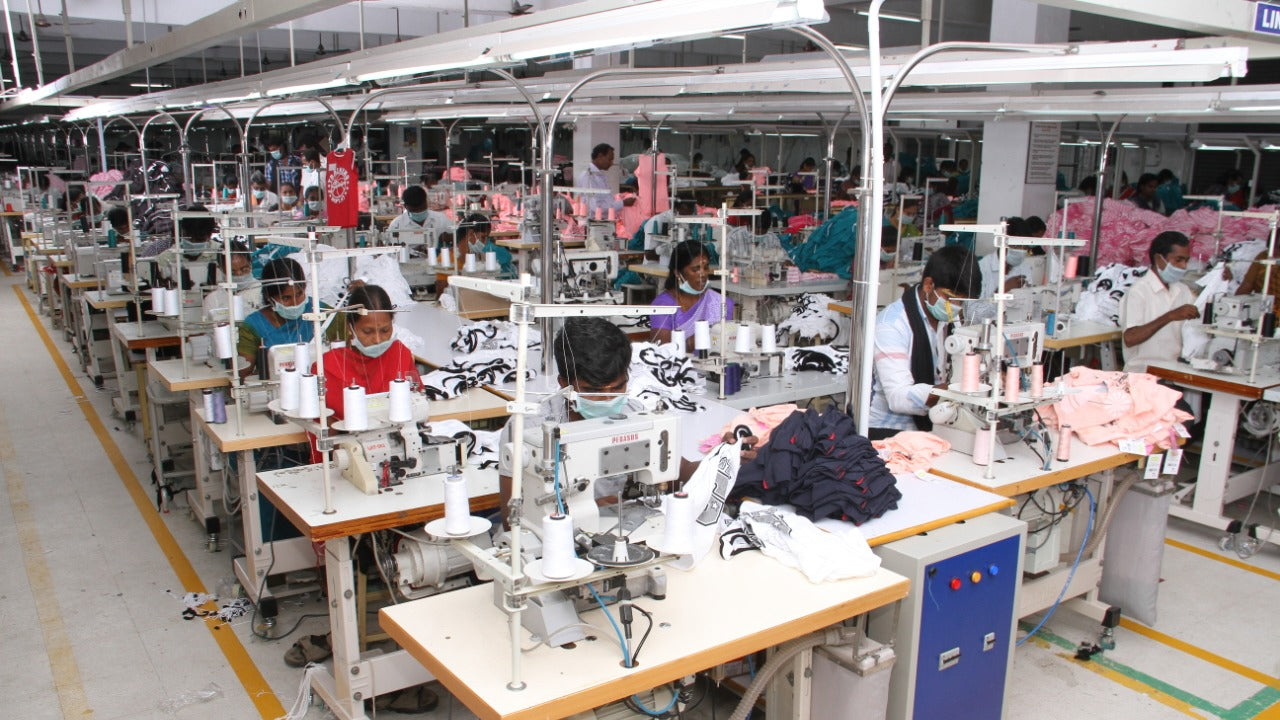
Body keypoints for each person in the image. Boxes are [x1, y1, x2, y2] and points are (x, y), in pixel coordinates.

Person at [497, 317, 756, 523]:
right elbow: (513, 520)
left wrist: (724, 457)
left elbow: (680, 473)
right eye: (595, 391)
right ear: (564, 384)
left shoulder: (634, 414)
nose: (609, 400)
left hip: (618, 530)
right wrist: (586, 510)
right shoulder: (528, 429)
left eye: (618, 387)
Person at [868, 245, 982, 440]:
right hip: (890, 433)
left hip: (938, 423)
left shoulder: (950, 320)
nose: (957, 307)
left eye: (962, 302)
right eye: (951, 298)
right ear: (929, 285)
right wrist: (958, 387)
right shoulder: (891, 325)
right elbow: (899, 397)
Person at [317, 283, 422, 419]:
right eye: (367, 331)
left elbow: (418, 401)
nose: (378, 339)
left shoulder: (400, 354)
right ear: (350, 327)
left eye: (385, 330)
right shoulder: (328, 366)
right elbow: (326, 426)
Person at [236, 257, 344, 377]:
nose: (295, 302)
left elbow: (348, 359)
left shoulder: (326, 315)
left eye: (299, 294)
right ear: (269, 296)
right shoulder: (253, 326)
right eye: (286, 298)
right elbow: (243, 372)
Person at [1121, 231, 1198, 373]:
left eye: (1186, 261)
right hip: (1142, 373)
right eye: (1178, 260)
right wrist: (1169, 316)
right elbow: (1130, 338)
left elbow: (1201, 318)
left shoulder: (1182, 289)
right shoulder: (1138, 291)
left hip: (1174, 369)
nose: (1184, 266)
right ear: (1158, 259)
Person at [649, 239, 733, 350]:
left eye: (706, 267)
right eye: (695, 269)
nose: (703, 274)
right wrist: (690, 343)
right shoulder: (663, 305)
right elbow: (661, 350)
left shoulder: (721, 303)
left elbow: (729, 342)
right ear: (677, 273)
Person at [576, 143, 634, 217]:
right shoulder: (588, 176)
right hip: (594, 222)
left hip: (601, 221)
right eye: (609, 159)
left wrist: (618, 199)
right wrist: (622, 203)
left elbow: (604, 200)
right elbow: (596, 207)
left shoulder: (598, 176)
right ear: (600, 156)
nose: (611, 163)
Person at [978, 217, 1030, 298]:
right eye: (1017, 245)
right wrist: (1002, 290)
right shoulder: (982, 268)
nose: (1021, 250)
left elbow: (1029, 298)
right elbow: (975, 308)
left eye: (1025, 247)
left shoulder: (1024, 266)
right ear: (1003, 242)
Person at [386, 185, 454, 247]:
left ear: (426, 202)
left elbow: (457, 238)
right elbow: (391, 253)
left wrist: (451, 237)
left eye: (421, 208)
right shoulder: (396, 225)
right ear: (406, 207)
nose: (419, 212)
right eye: (415, 210)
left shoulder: (441, 219)